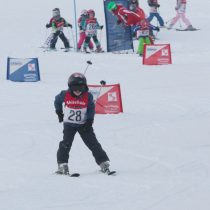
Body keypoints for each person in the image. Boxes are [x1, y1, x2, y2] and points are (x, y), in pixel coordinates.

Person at [54, 73, 110, 175]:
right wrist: (59, 112)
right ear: (70, 87)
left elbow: (91, 108)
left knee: (93, 143)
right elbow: (57, 100)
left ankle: (103, 162)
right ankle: (62, 164)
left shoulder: (87, 96)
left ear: (85, 87)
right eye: (75, 88)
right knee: (65, 144)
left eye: (80, 88)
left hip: (84, 125)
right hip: (69, 125)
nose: (78, 90)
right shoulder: (64, 94)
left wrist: (89, 120)